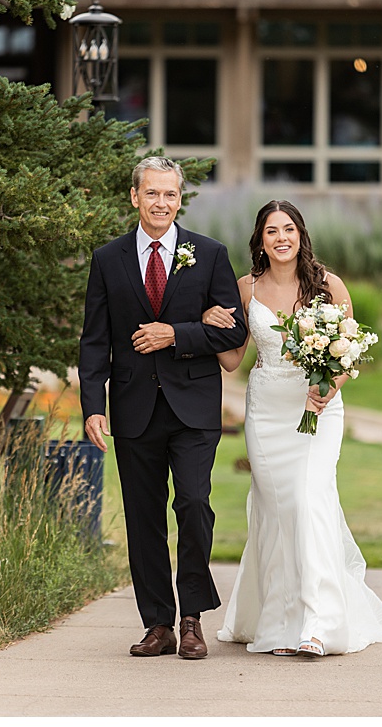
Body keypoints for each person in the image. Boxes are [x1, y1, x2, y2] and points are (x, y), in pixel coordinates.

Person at [207, 200, 382, 657]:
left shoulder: (328, 285)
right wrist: (210, 324)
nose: (281, 238)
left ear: (301, 234)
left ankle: (319, 625)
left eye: (289, 229)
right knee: (277, 511)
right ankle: (280, 623)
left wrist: (329, 388)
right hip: (266, 409)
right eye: (271, 230)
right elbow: (233, 360)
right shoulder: (245, 288)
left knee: (310, 499)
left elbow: (349, 351)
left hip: (317, 411)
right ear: (260, 239)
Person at [79, 156, 247, 660]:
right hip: (133, 409)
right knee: (143, 518)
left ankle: (193, 618)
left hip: (193, 406)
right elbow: (95, 341)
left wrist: (178, 333)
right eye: (152, 194)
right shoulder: (108, 259)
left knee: (194, 505)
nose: (161, 204)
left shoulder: (209, 254)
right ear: (135, 197)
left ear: (180, 199)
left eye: (170, 195)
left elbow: (234, 331)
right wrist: (93, 405)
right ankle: (158, 623)